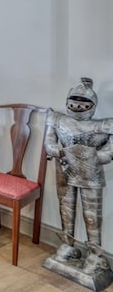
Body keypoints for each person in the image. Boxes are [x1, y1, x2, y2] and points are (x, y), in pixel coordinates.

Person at [45, 77, 113, 274]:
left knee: (91, 215)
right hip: (64, 169)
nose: (77, 106)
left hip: (90, 173)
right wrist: (59, 151)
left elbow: (110, 149)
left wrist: (95, 156)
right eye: (74, 102)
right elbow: (49, 143)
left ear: (92, 105)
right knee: (66, 209)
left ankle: (95, 254)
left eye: (83, 103)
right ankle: (67, 244)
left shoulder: (104, 125)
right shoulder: (57, 119)